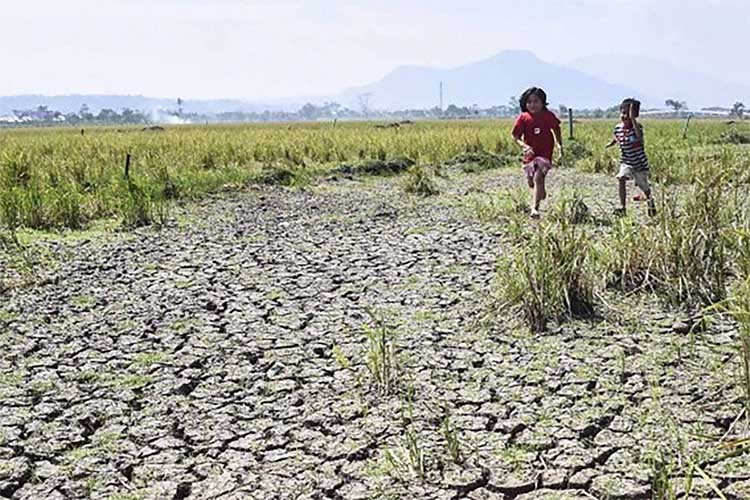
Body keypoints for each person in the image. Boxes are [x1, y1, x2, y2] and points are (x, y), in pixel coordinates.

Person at [511, 87, 564, 218]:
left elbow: (556, 128)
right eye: (529, 102)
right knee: (531, 182)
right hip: (530, 155)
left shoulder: (548, 116)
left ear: (542, 102)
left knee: (538, 178)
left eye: (536, 101)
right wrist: (524, 146)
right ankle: (541, 191)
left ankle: (535, 209)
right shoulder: (523, 118)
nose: (532, 105)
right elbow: (515, 136)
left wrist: (559, 145)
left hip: (545, 154)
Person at [606, 98, 656, 216]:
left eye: (628, 114)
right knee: (621, 178)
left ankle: (650, 201)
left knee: (643, 186)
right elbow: (617, 137)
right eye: (623, 113)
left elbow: (639, 137)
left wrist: (633, 120)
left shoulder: (637, 128)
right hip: (626, 161)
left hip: (639, 163)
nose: (625, 116)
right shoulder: (618, 128)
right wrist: (611, 143)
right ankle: (622, 207)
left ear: (635, 115)